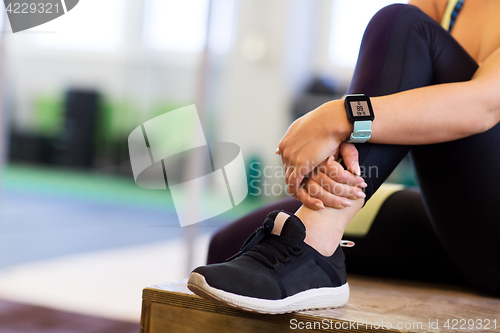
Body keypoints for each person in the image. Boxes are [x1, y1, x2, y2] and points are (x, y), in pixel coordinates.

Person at [187, 0, 500, 314]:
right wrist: (336, 155)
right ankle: (315, 235)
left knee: (401, 20)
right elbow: (392, 85)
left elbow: (483, 107)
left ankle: (316, 238)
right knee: (230, 243)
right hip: (463, 231)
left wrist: (340, 117)